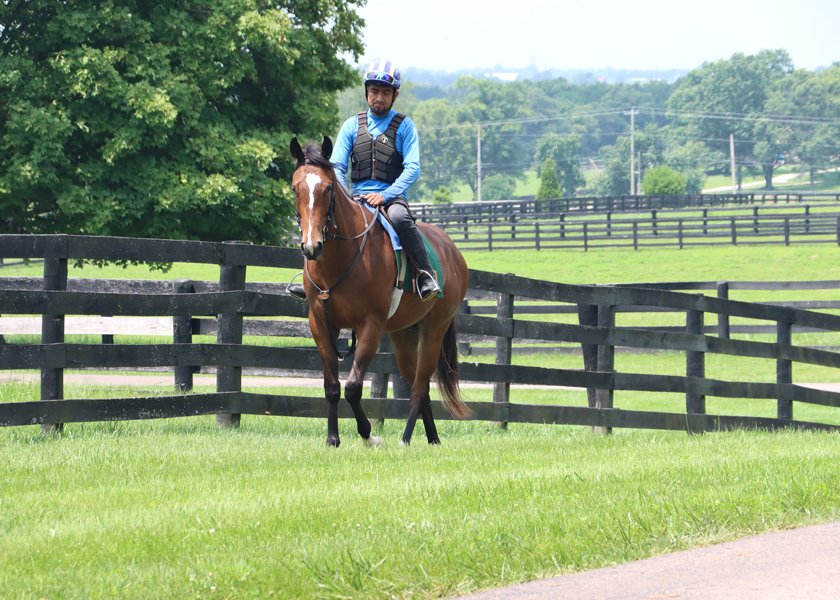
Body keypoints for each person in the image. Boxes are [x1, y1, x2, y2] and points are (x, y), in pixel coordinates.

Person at [288, 59, 440, 302]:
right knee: (320, 216)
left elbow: (412, 168)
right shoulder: (351, 126)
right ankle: (309, 278)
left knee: (401, 219)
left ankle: (424, 274)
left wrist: (385, 195)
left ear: (394, 95)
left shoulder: (405, 127)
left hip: (392, 199)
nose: (379, 97)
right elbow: (336, 166)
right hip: (356, 197)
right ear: (367, 92)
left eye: (385, 92)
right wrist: (347, 195)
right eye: (374, 91)